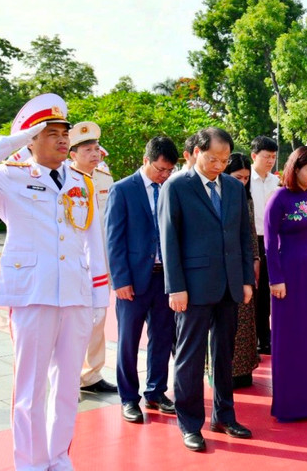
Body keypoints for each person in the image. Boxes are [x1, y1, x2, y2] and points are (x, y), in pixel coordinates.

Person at [0, 93, 109, 470]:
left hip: (76, 295)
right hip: (33, 294)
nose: (63, 139)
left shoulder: (81, 182)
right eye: (51, 132)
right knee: (30, 390)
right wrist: (14, 140)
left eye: (64, 132)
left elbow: (93, 241)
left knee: (66, 389)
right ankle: (30, 463)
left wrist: (99, 298)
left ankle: (58, 458)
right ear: (30, 138)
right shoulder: (9, 179)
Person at [160, 127, 254, 451]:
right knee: (190, 358)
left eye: (224, 160)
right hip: (192, 287)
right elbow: (169, 240)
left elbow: (243, 236)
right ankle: (189, 424)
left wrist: (245, 280)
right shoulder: (176, 187)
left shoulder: (233, 187)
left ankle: (224, 415)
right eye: (213, 158)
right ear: (196, 152)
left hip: (229, 284)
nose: (219, 165)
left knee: (225, 356)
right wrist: (175, 287)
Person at [106, 136, 179, 423]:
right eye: (160, 169)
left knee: (162, 337)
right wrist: (120, 279)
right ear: (146, 160)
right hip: (133, 281)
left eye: (169, 171)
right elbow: (114, 238)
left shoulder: (171, 189)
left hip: (165, 279)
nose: (164, 175)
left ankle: (156, 391)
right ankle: (128, 398)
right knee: (128, 341)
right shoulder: (122, 190)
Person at [264, 146, 307, 421]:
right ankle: (291, 404)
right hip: (289, 277)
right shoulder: (279, 198)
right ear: (295, 168)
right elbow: (270, 243)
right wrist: (276, 279)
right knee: (292, 337)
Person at [68, 121, 118, 395]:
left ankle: (91, 374)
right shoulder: (63, 178)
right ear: (73, 154)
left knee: (98, 318)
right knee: (71, 322)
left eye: (97, 148)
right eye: (87, 149)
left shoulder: (104, 178)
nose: (95, 153)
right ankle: (68, 376)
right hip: (74, 262)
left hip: (103, 262)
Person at [226, 153, 260, 389]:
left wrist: (256, 258)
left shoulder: (247, 199)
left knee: (245, 317)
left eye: (246, 178)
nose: (242, 183)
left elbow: (251, 231)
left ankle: (243, 370)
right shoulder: (218, 197)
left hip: (243, 265)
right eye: (238, 177)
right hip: (222, 266)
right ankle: (224, 370)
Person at [250, 135, 280, 355]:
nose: (270, 161)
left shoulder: (276, 182)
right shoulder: (244, 180)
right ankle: (253, 337)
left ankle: (265, 336)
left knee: (268, 291)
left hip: (271, 240)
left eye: (273, 157)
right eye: (266, 156)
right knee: (253, 291)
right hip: (251, 240)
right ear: (254, 156)